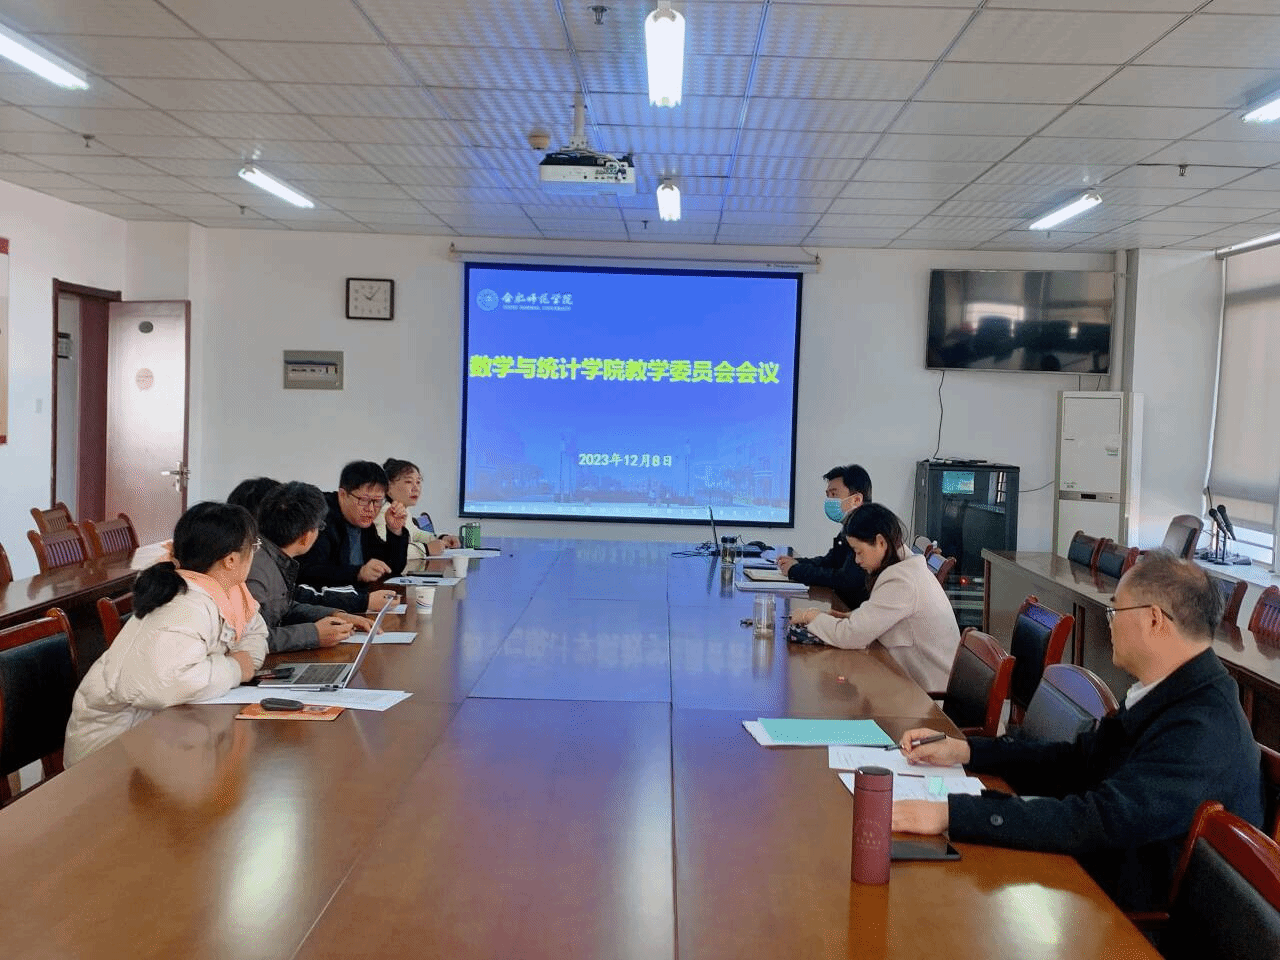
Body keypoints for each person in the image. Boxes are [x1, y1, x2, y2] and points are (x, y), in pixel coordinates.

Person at [891, 550, 1264, 913]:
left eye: (1116, 611)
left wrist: (952, 814)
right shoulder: (1174, 689)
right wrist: (968, 752)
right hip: (1101, 877)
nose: (1109, 623)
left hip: (1130, 918)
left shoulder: (1201, 729)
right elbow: (1077, 760)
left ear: (1154, 620)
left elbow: (1100, 821)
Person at [64, 502, 269, 765]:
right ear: (230, 560)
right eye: (253, 547)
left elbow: (255, 634)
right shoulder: (184, 604)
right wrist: (235, 669)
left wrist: (244, 663)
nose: (254, 554)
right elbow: (164, 685)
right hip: (110, 752)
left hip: (164, 735)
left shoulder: (229, 590)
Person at [789, 503, 959, 691]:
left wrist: (810, 616)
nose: (857, 560)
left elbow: (852, 636)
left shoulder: (902, 580)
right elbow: (876, 619)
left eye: (859, 551)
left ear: (880, 542)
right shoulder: (906, 568)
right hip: (909, 683)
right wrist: (849, 617)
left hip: (927, 698)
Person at [251, 481, 389, 653]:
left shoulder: (271, 559)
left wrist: (335, 615)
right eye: (319, 527)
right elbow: (250, 640)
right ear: (305, 536)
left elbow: (284, 608)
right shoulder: (255, 569)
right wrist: (314, 634)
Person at [297, 460, 409, 589]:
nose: (371, 509)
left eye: (378, 501)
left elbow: (391, 568)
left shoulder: (363, 523)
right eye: (364, 500)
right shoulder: (320, 519)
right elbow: (308, 572)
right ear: (343, 495)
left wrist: (395, 530)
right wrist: (358, 573)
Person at [778, 464, 871, 610]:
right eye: (828, 496)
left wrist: (795, 570)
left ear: (856, 500)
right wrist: (797, 562)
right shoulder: (850, 527)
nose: (829, 501)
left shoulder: (867, 530)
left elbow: (845, 579)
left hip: (858, 611)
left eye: (834, 494)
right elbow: (829, 562)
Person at [375, 458, 460, 562]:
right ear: (388, 487)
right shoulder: (384, 512)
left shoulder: (403, 510)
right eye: (409, 482)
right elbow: (385, 549)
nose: (416, 488)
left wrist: (441, 538)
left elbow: (415, 533)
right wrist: (426, 549)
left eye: (418, 482)